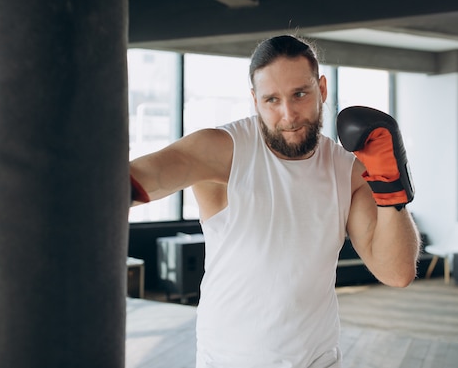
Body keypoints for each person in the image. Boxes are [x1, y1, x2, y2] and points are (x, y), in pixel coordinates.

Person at [129, 35, 420, 368]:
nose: (288, 115)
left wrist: (391, 189)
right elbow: (145, 177)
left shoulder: (348, 170)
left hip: (318, 360)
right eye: (272, 100)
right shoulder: (223, 151)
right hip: (230, 361)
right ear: (255, 100)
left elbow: (396, 273)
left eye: (300, 94)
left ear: (321, 89)